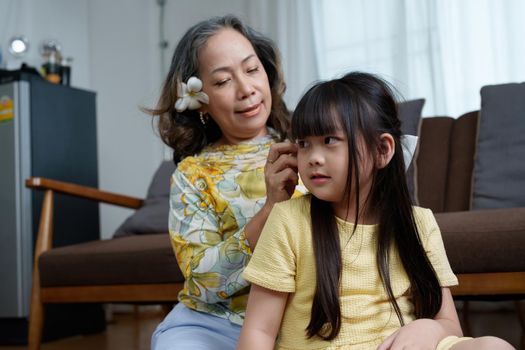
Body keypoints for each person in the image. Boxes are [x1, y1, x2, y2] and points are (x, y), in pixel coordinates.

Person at [237, 72, 515, 350]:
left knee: (493, 346)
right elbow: (259, 331)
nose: (313, 158)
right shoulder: (289, 220)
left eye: (330, 140)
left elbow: (449, 324)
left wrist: (428, 328)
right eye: (304, 144)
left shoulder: (419, 223)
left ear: (382, 150)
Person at [148, 15, 305, 350]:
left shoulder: (310, 146)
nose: (246, 89)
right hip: (215, 324)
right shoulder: (193, 175)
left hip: (304, 320)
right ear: (199, 99)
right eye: (222, 81)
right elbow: (202, 282)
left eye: (251, 70)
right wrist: (269, 211)